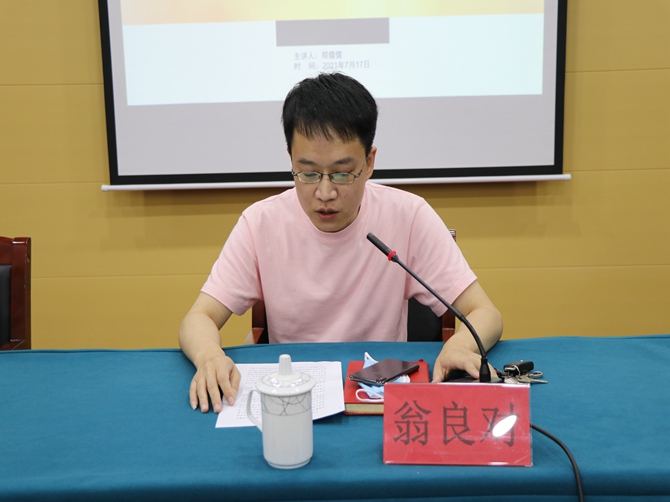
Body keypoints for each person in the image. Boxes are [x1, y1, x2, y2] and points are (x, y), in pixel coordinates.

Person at [179, 72, 503, 413]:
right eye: (308, 173)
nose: (324, 192)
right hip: (293, 399)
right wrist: (209, 355)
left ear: (369, 162)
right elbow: (199, 317)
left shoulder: (408, 215)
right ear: (291, 159)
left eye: (342, 173)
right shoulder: (261, 223)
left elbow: (485, 312)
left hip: (377, 399)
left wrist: (460, 345)